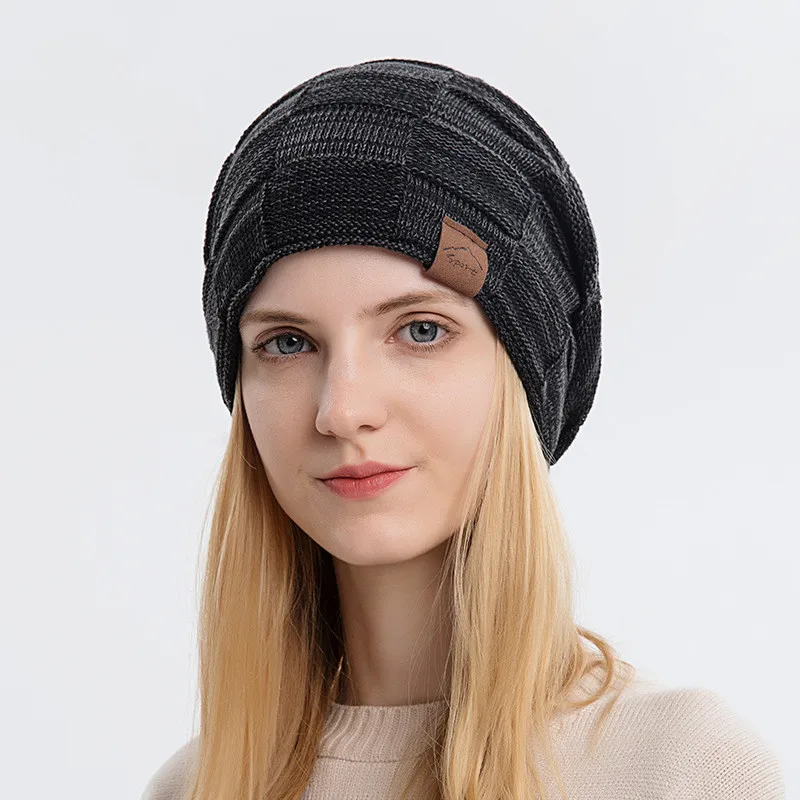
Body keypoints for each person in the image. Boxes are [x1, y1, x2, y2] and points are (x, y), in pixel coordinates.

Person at [140, 58, 785, 800]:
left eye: (420, 330)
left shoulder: (683, 768)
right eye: (287, 343)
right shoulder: (194, 786)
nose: (342, 410)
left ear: (521, 376)